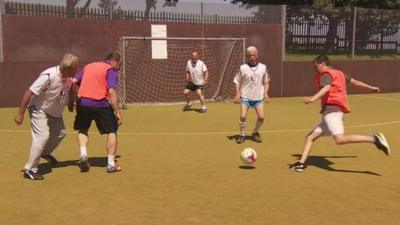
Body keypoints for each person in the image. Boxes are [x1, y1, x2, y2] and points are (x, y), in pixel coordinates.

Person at [289, 55, 390, 172]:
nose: (315, 69)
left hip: (332, 113)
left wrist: (312, 99)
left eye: (316, 66)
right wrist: (371, 87)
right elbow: (355, 82)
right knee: (310, 137)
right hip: (330, 114)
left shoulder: (325, 75)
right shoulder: (339, 73)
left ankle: (374, 139)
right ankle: (301, 163)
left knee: (340, 139)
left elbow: (326, 87)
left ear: (322, 64)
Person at [15, 53, 79, 180]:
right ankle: (30, 169)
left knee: (60, 133)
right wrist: (20, 114)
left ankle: (44, 153)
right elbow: (29, 93)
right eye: (76, 67)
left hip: (54, 112)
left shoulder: (69, 78)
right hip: (38, 110)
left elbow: (70, 91)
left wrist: (71, 104)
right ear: (68, 67)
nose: (77, 70)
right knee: (42, 136)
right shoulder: (48, 75)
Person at [72, 51, 123, 173]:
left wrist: (77, 95)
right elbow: (111, 91)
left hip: (83, 103)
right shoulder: (110, 70)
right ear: (114, 62)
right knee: (111, 131)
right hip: (101, 104)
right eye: (119, 64)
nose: (119, 67)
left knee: (83, 129)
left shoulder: (89, 66)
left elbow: (73, 81)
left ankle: (83, 155)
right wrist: (118, 112)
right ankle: (111, 164)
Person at [233, 46, 270, 144]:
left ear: (257, 55)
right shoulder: (242, 68)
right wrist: (237, 94)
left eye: (254, 55)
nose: (252, 57)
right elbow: (237, 81)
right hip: (245, 96)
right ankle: (242, 135)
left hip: (258, 97)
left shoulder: (263, 67)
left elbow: (266, 82)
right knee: (243, 116)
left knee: (261, 117)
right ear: (247, 56)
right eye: (250, 55)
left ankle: (255, 132)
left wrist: (265, 93)